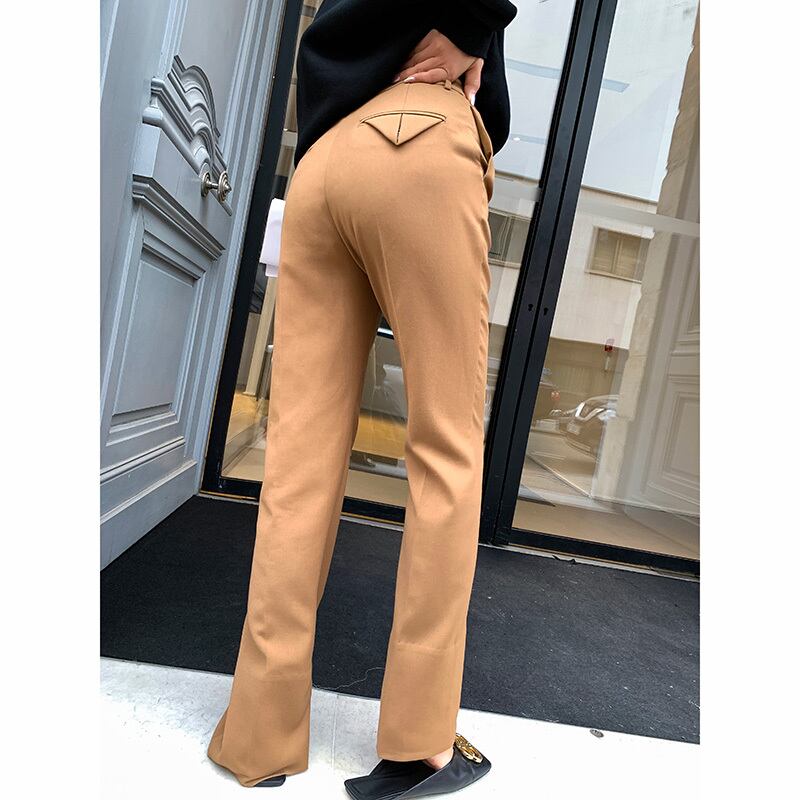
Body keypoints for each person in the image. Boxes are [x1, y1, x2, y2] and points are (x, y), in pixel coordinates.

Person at [207, 1, 518, 797]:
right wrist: (475, 18)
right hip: (420, 136)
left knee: (298, 461)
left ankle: (257, 738)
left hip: (320, 165)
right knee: (447, 448)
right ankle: (418, 747)